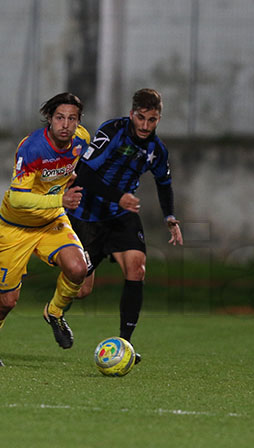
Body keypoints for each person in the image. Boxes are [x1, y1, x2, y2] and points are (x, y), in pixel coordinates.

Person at [68, 88, 184, 363]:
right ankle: (55, 309)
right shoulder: (112, 131)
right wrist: (118, 196)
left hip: (121, 215)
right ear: (132, 114)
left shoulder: (157, 150)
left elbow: (164, 183)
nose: (145, 125)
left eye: (151, 120)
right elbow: (84, 173)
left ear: (159, 119)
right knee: (82, 290)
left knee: (137, 268)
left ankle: (125, 344)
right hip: (88, 214)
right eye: (141, 118)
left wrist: (170, 217)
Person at [0, 92, 91, 366]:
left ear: (79, 121)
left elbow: (73, 166)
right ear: (49, 118)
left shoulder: (82, 139)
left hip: (51, 221)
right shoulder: (32, 148)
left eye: (72, 118)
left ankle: (55, 312)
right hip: (14, 228)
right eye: (60, 117)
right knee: (7, 302)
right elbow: (17, 198)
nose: (65, 124)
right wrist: (60, 199)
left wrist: (69, 179)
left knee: (78, 269)